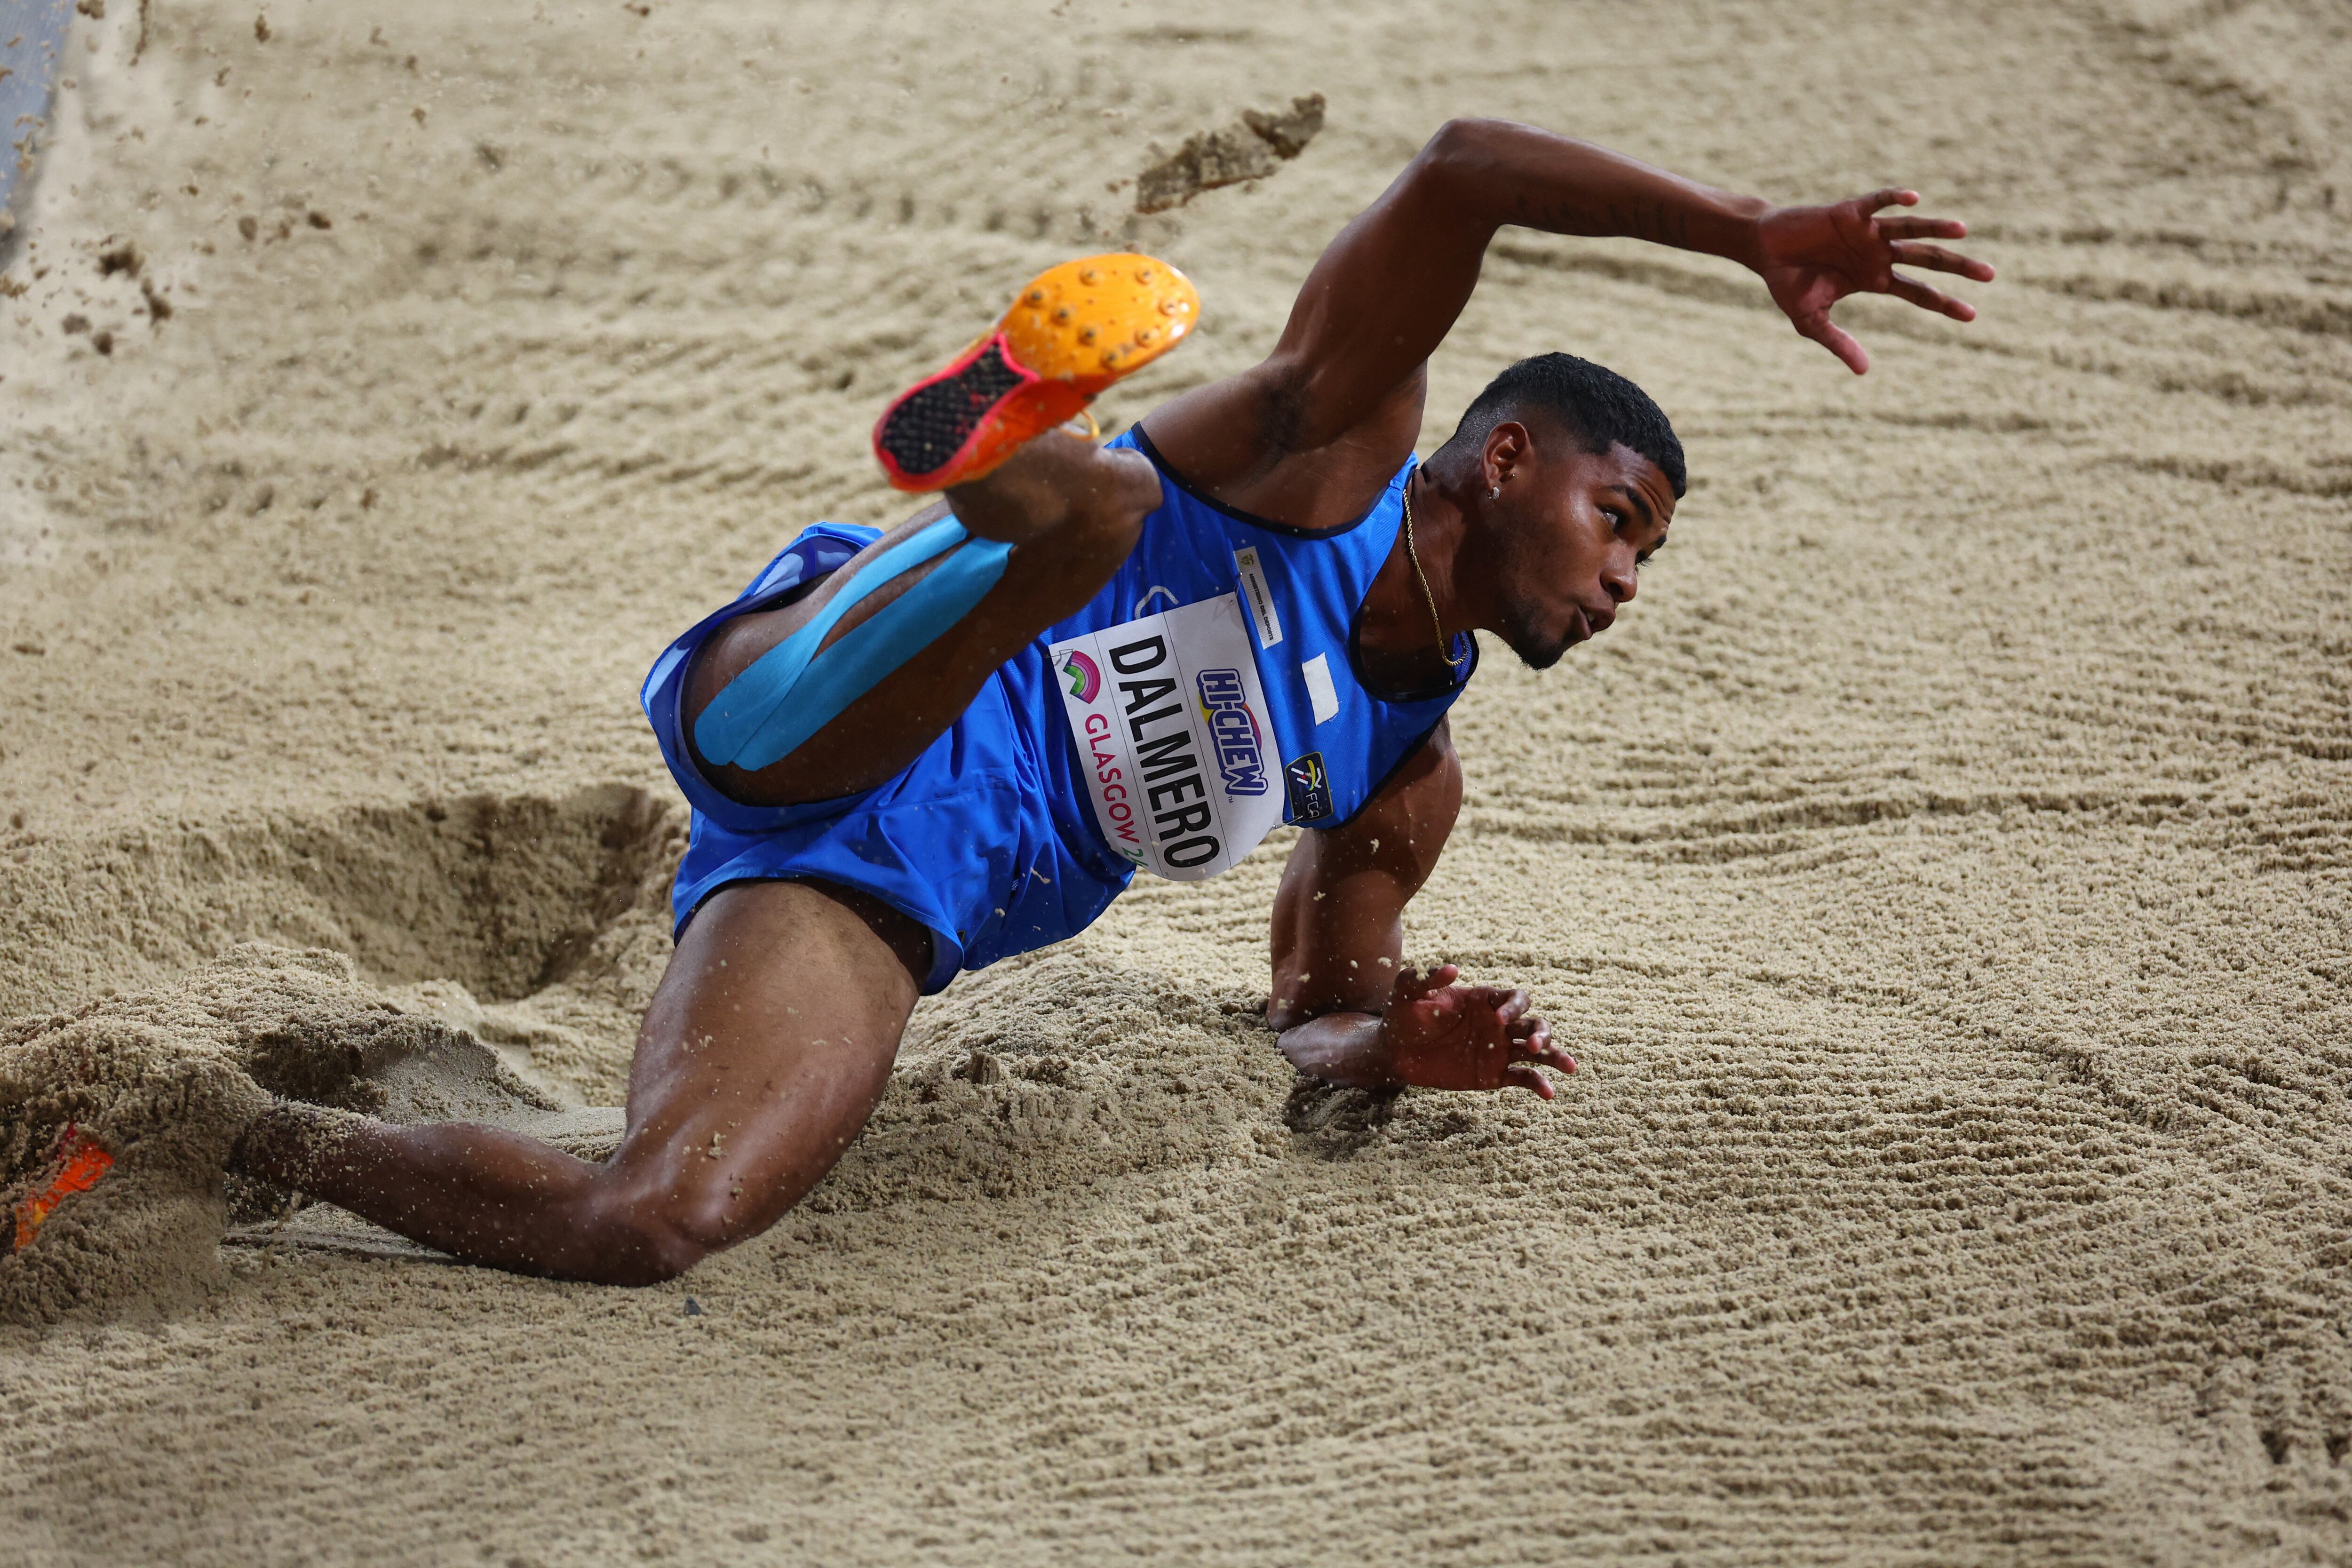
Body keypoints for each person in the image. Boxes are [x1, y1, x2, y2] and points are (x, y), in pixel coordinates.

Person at [102, 119, 1993, 1282]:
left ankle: (227, 1130)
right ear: (1501, 458)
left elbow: (1296, 1036)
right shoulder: (1339, 453)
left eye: (1640, 564)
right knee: (1100, 512)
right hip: (818, 684)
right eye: (1619, 522)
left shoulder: (1400, 785)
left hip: (863, 886)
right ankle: (1010, 448)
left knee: (650, 1224)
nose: (1621, 584)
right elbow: (1464, 167)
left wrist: (1385, 1054)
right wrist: (1744, 228)